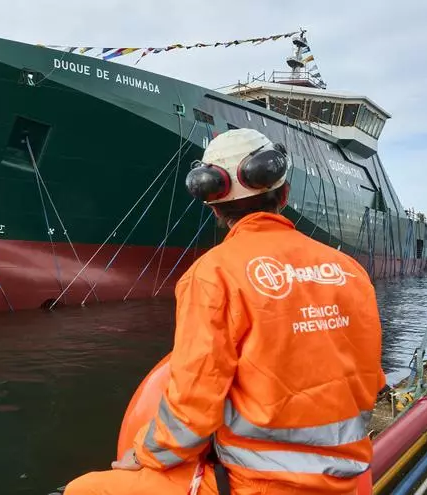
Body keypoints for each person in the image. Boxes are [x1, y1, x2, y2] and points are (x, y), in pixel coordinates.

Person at [63, 128, 385, 495]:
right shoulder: (349, 270)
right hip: (343, 479)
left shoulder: (213, 274)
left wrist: (142, 454)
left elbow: (193, 405)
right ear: (284, 194)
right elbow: (369, 379)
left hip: (256, 486)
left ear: (214, 207)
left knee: (83, 489)